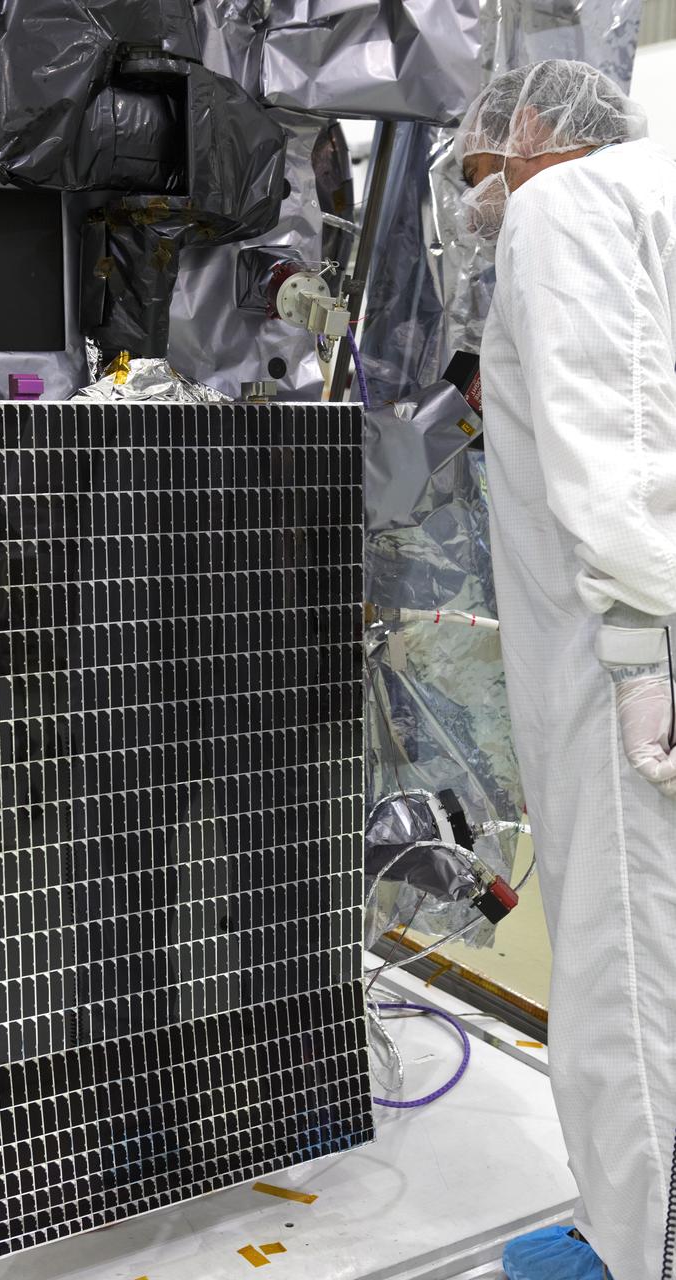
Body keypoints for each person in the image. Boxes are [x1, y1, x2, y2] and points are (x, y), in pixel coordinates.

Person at [455, 60, 676, 1280]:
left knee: (625, 979)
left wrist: (644, 649)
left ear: (534, 128)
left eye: (485, 160)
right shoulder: (657, 195)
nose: (481, 191)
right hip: (635, 636)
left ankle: (637, 1250)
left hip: (623, 674)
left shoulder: (569, 202)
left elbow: (616, 440)